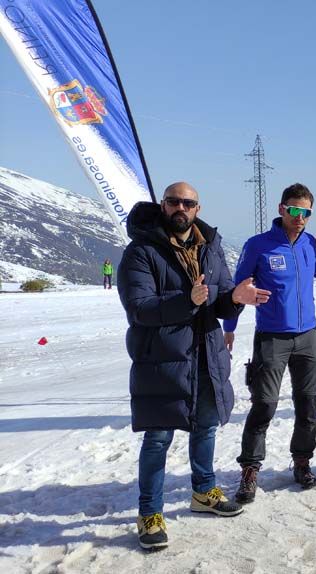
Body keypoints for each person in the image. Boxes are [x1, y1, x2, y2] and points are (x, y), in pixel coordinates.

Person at [118, 182, 269, 549]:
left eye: (188, 202)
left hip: (205, 354)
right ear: (163, 205)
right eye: (174, 202)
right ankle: (149, 512)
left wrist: (235, 298)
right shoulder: (141, 251)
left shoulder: (209, 246)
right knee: (158, 438)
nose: (180, 208)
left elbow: (218, 300)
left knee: (206, 427)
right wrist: (187, 299)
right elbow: (139, 308)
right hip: (163, 360)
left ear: (197, 209)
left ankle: (203, 492)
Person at [225, 183, 316, 503]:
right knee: (264, 404)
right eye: (294, 210)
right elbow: (238, 287)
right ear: (282, 209)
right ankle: (250, 470)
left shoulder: (310, 243)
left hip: (308, 337)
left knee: (307, 405)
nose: (300, 217)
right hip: (272, 337)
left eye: (306, 212)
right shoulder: (259, 245)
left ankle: (302, 463)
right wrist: (229, 327)